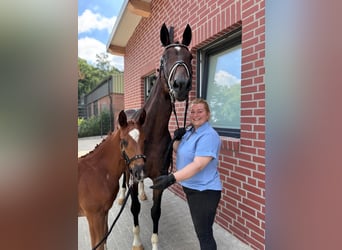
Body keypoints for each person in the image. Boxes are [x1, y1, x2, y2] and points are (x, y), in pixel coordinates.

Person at [150, 98, 222, 250]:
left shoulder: (209, 135)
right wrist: (175, 138)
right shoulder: (190, 131)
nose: (196, 115)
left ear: (208, 115)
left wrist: (172, 178)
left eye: (200, 111)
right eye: (193, 112)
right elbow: (180, 150)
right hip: (191, 188)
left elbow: (198, 165)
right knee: (201, 231)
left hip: (204, 191)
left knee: (204, 234)